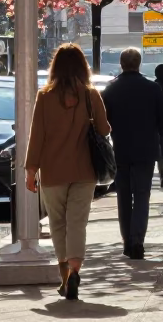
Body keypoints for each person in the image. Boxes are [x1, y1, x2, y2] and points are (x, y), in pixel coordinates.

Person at [25, 44, 111, 299]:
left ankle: (65, 277)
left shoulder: (45, 96)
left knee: (57, 223)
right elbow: (105, 130)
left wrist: (31, 171)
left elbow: (36, 136)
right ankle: (75, 270)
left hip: (52, 171)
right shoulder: (90, 95)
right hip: (85, 170)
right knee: (77, 222)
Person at [101, 48, 163, 259]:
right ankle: (137, 240)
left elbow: (103, 124)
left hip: (120, 150)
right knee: (142, 196)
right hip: (146, 150)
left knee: (123, 196)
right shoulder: (152, 88)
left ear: (121, 64)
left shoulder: (110, 90)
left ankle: (127, 241)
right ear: (139, 64)